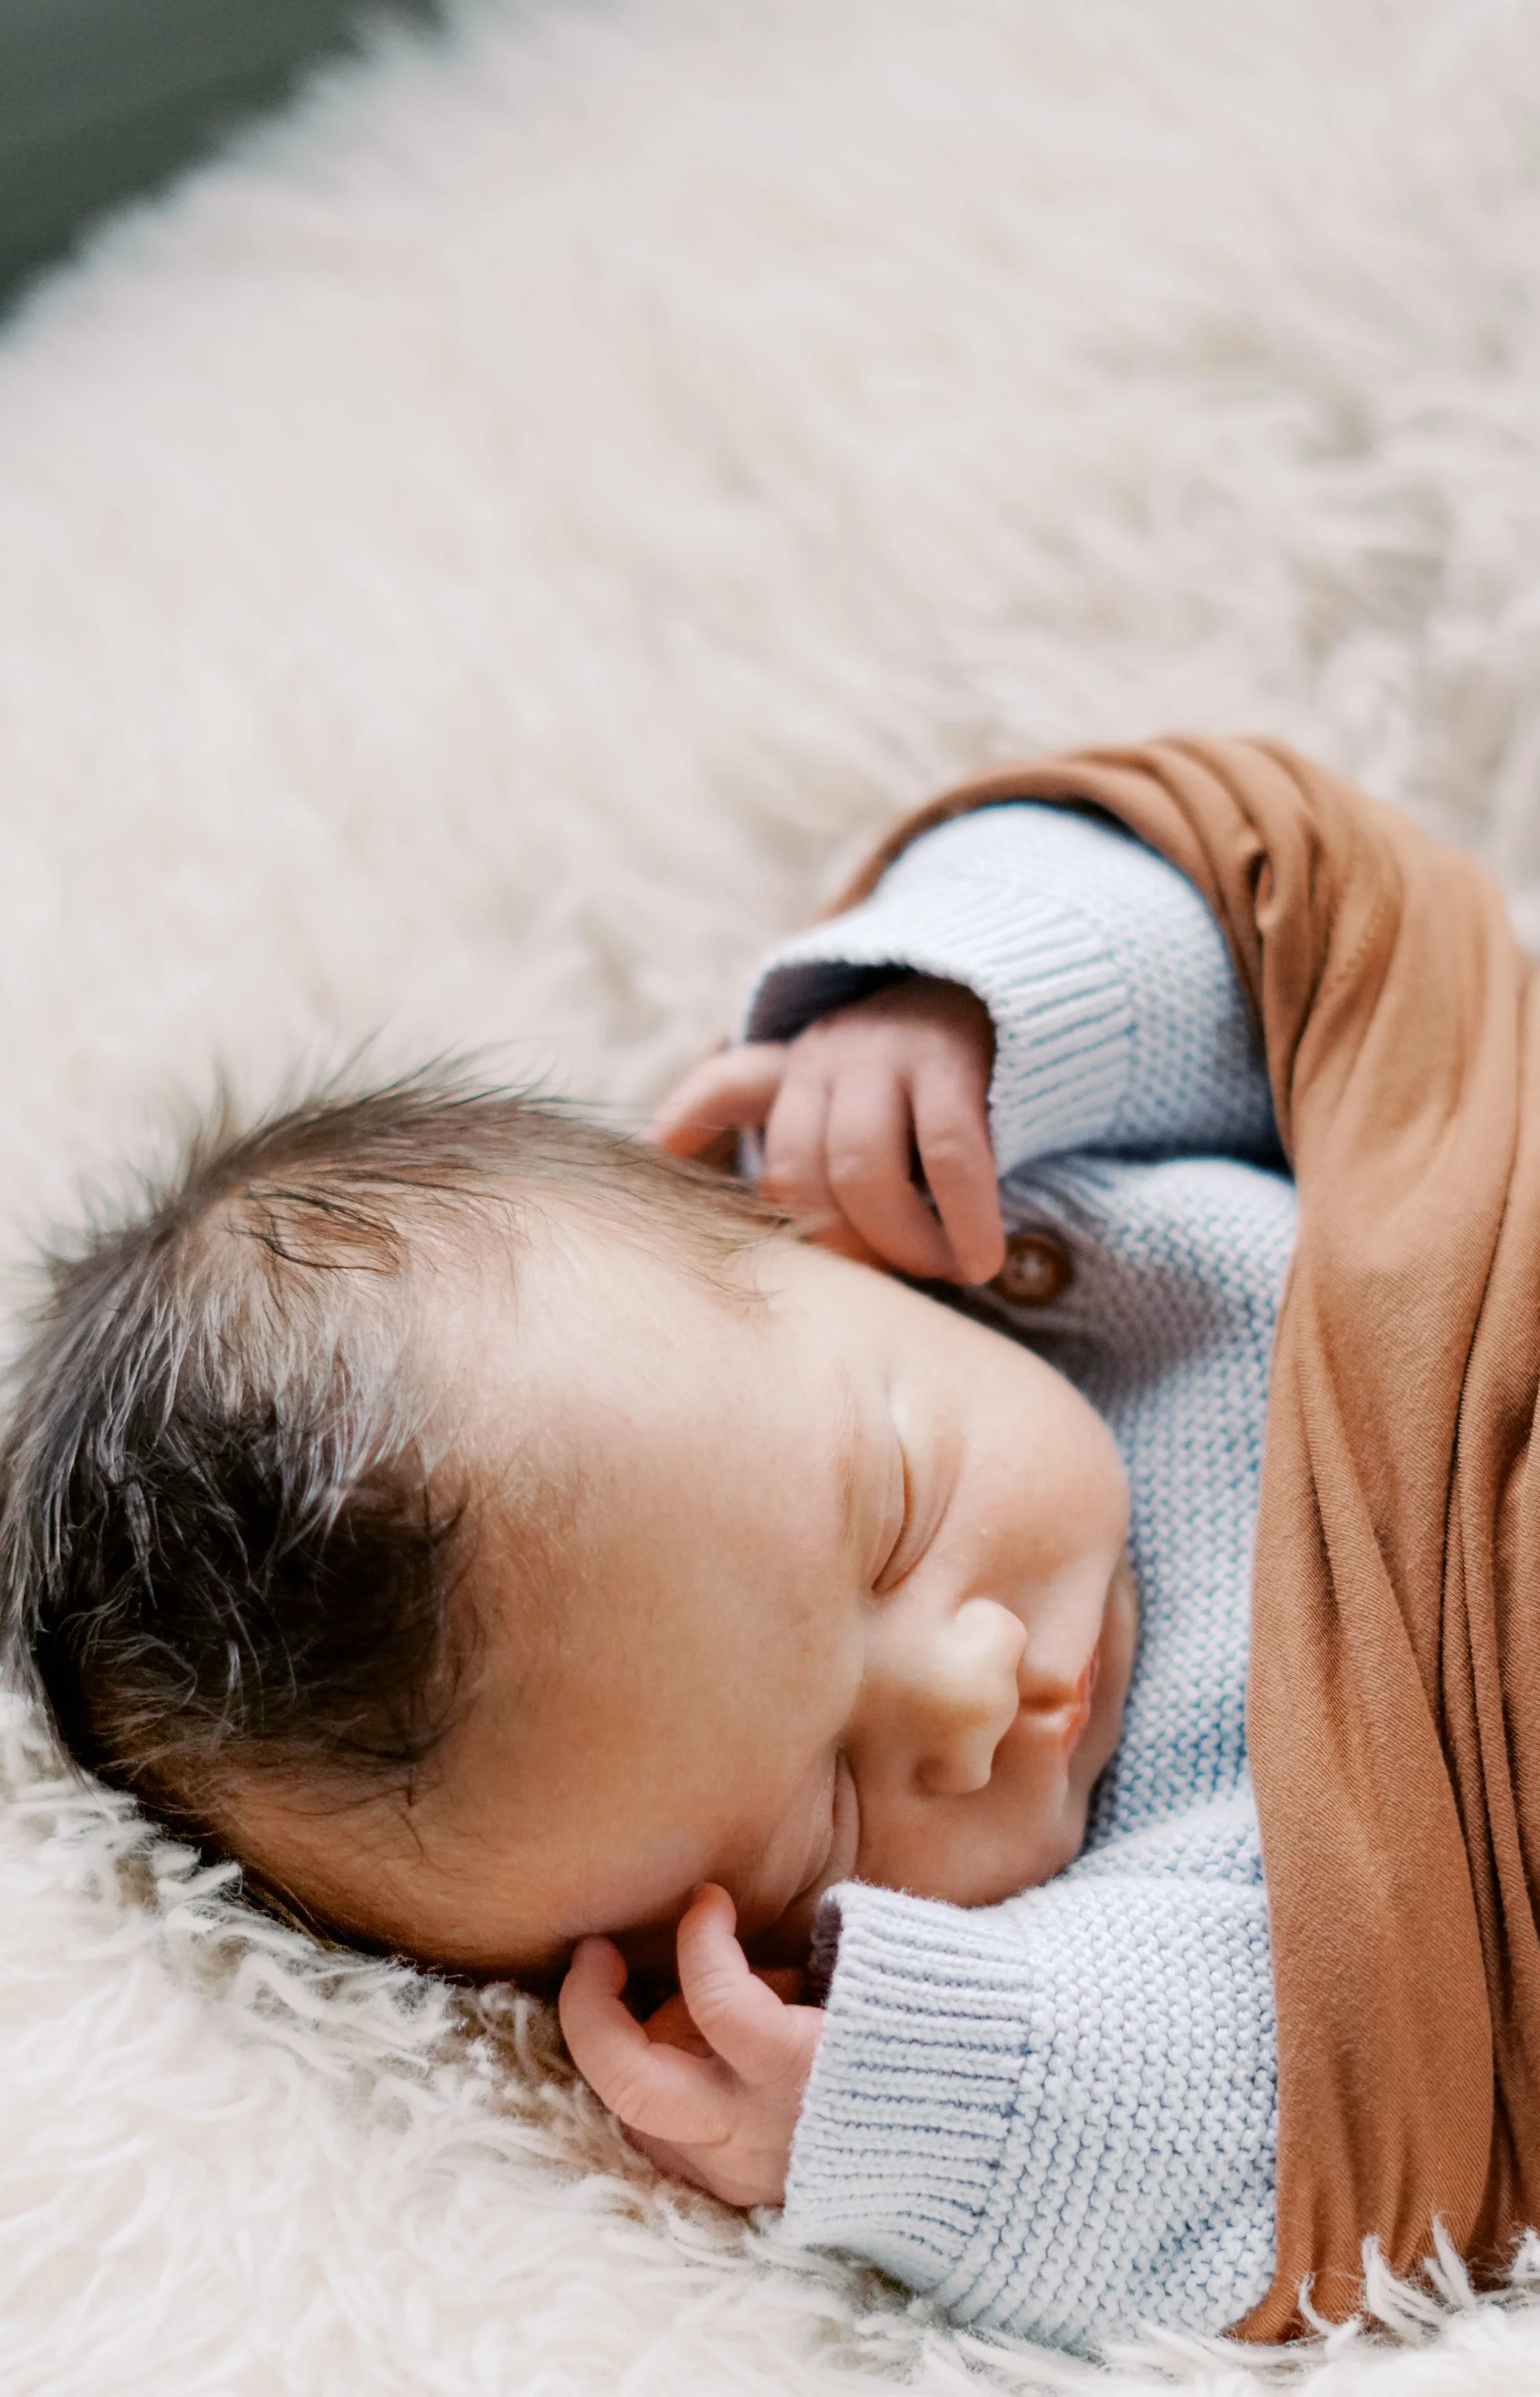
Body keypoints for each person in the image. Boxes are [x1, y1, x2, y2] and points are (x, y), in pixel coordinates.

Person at [0, 797, 1291, 2351]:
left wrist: (956, 1014)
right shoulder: (1115, 1935)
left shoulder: (1010, 1205)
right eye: (823, 1821)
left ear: (796, 1228)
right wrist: (913, 2115)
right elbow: (1309, 2159)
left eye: (892, 1512)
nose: (971, 1693)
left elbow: (1283, 937)